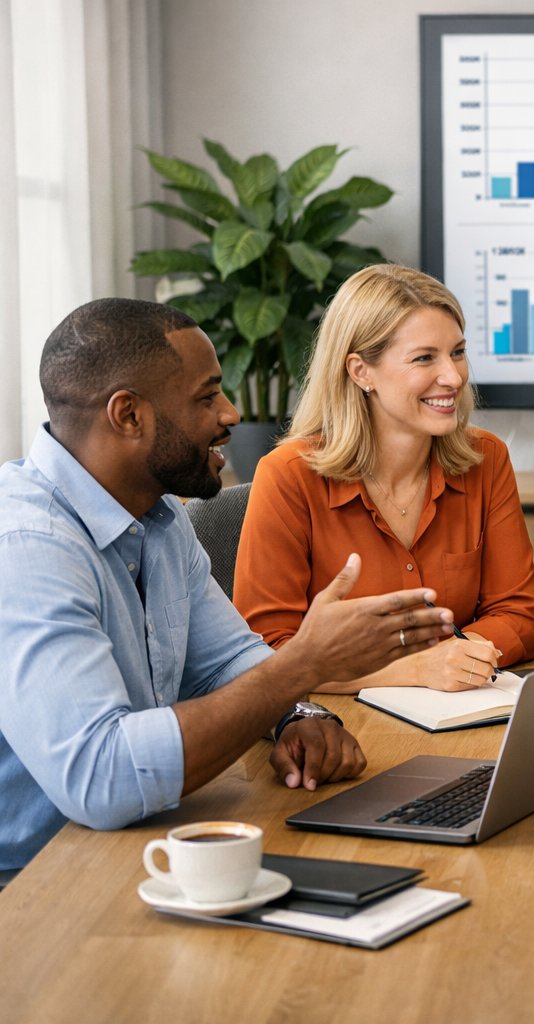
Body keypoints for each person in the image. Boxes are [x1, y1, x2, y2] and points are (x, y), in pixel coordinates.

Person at [0, 298, 456, 882]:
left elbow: (228, 663)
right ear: (128, 415)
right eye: (206, 396)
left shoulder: (159, 518)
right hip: (35, 883)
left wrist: (297, 714)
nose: (232, 412)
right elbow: (103, 778)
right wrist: (302, 666)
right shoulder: (28, 547)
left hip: (135, 847)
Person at [235, 265, 534, 692]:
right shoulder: (288, 477)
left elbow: (520, 612)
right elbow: (266, 652)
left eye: (457, 352)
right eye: (424, 358)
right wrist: (417, 671)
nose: (453, 376)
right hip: (338, 728)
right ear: (361, 371)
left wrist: (459, 656)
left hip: (460, 716)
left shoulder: (486, 459)